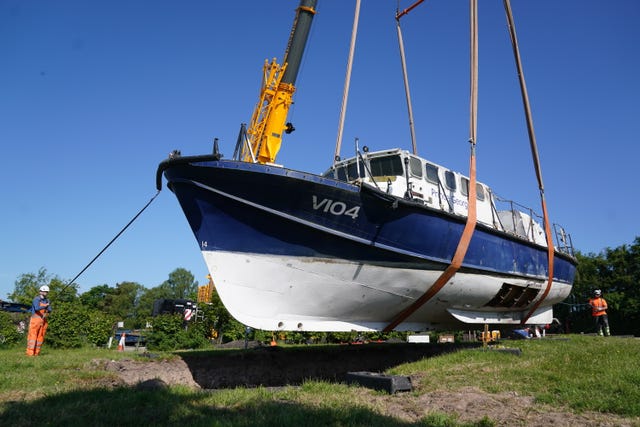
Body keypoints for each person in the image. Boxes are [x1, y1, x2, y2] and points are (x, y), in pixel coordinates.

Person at [26, 285, 52, 356]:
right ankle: (30, 353)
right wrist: (45, 306)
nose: (46, 293)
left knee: (40, 337)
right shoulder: (36, 299)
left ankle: (37, 353)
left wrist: (48, 307)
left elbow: (49, 310)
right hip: (35, 319)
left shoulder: (47, 300)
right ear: (40, 292)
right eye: (44, 291)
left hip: (43, 320)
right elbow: (37, 308)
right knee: (33, 336)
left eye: (47, 292)